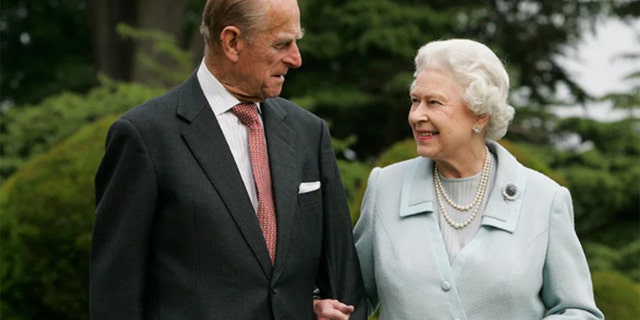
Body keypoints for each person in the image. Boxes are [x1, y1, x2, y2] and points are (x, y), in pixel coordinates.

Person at [89, 0, 366, 318]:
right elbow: (115, 293)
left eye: (296, 42)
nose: (296, 58)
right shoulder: (145, 136)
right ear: (232, 41)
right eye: (281, 44)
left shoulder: (309, 133)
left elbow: (343, 278)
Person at [315, 39, 604, 319]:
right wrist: (319, 306)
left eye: (434, 103)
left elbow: (578, 311)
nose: (417, 115)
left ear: (480, 115)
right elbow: (349, 297)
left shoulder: (545, 199)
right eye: (415, 101)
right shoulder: (386, 187)